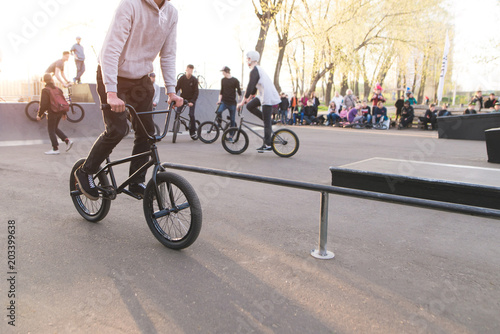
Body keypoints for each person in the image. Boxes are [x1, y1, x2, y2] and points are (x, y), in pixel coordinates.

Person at [74, 0, 183, 201]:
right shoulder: (130, 5)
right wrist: (112, 92)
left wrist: (171, 91)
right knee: (118, 129)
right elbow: (110, 50)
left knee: (147, 132)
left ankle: (136, 181)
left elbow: (168, 55)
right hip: (113, 74)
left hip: (141, 79)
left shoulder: (171, 13)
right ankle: (86, 170)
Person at [237, 51, 281, 152]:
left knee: (266, 122)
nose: (247, 61)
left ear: (251, 59)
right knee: (250, 106)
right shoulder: (256, 70)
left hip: (267, 96)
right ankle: (269, 121)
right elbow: (253, 89)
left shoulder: (255, 70)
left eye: (248, 58)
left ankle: (268, 145)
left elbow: (250, 86)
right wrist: (247, 100)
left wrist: (242, 101)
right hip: (262, 95)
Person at [36, 74, 73, 155]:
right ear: (52, 79)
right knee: (55, 128)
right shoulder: (58, 89)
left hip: (52, 112)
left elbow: (43, 104)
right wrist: (64, 113)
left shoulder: (45, 90)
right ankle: (67, 140)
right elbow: (62, 101)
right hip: (59, 111)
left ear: (43, 81)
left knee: (51, 130)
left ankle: (55, 148)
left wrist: (39, 114)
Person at [176, 64, 199, 139]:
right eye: (189, 70)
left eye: (191, 70)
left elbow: (196, 92)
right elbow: (176, 88)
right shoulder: (182, 78)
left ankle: (193, 132)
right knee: (177, 112)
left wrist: (192, 101)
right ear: (186, 69)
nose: (190, 71)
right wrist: (173, 97)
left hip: (191, 99)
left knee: (191, 114)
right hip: (183, 98)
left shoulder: (194, 80)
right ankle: (176, 127)